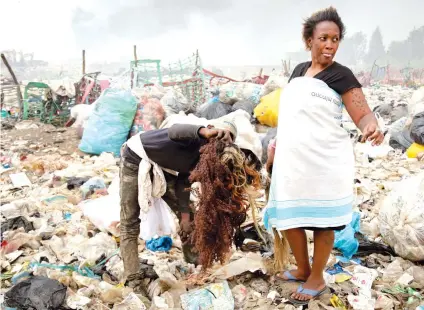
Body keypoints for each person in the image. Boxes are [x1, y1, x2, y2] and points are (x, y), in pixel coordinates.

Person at [264, 7, 384, 306]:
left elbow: (363, 113)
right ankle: (303, 267)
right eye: (324, 38)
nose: (330, 44)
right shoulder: (298, 71)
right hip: (293, 160)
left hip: (324, 159)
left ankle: (316, 277)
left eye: (335, 39)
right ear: (309, 40)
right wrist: (275, 149)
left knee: (322, 222)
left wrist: (372, 127)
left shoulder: (341, 74)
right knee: (290, 217)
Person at [119, 121, 237, 294]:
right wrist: (203, 132)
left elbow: (184, 180)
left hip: (162, 166)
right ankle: (133, 280)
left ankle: (195, 265)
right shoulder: (195, 137)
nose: (221, 142)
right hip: (135, 156)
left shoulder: (208, 160)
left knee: (192, 216)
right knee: (129, 222)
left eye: (228, 140)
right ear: (211, 128)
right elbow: (174, 130)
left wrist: (184, 219)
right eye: (220, 135)